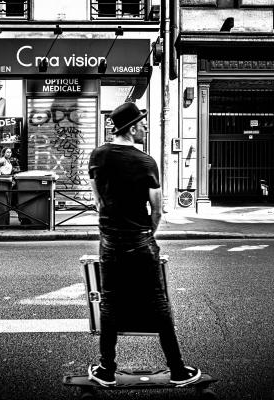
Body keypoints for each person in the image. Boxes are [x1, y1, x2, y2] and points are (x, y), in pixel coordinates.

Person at [87, 102, 202, 387]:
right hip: (140, 243)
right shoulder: (146, 162)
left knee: (110, 304)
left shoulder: (98, 156)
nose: (146, 127)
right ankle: (177, 370)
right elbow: (158, 209)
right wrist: (146, 235)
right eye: (143, 124)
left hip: (110, 243)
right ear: (133, 128)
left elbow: (98, 200)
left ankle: (106, 370)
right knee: (158, 304)